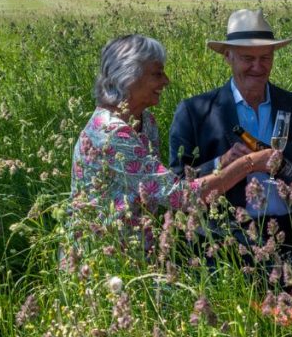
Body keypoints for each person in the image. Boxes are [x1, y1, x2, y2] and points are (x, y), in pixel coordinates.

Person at [168, 9, 292, 276]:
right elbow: (176, 187)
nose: (258, 67)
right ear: (228, 56)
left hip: (291, 231)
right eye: (248, 58)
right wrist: (220, 164)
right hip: (226, 235)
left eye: (265, 58)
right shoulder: (194, 111)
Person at [70, 34, 275, 233]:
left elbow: (160, 182)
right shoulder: (111, 133)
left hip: (137, 249)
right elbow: (181, 196)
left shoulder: (145, 121)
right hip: (103, 255)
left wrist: (221, 161)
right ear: (129, 76)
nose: (166, 81)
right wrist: (250, 163)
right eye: (157, 74)